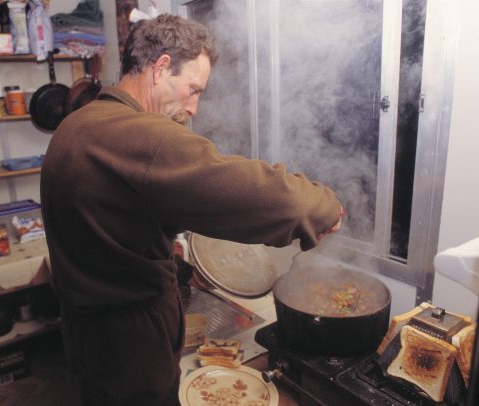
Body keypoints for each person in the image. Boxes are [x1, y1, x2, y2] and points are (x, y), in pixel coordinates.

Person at [40, 13, 343, 406]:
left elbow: (110, 221)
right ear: (161, 67)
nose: (195, 108)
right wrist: (324, 207)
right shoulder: (139, 135)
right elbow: (253, 190)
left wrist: (162, 246)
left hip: (86, 333)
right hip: (132, 346)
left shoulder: (75, 126)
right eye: (193, 89)